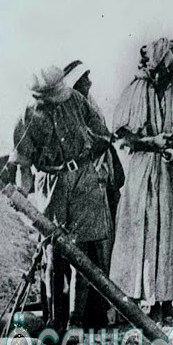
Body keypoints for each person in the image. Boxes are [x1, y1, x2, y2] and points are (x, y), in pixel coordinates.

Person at [109, 38, 173, 322]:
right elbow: (123, 136)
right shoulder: (136, 91)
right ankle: (135, 300)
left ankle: (165, 302)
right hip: (144, 170)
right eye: (155, 71)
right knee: (140, 231)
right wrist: (152, 142)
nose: (160, 76)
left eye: (165, 70)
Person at [9, 66, 112, 332]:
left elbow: (102, 134)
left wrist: (89, 164)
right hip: (50, 185)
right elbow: (23, 166)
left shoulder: (75, 100)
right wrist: (22, 192)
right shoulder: (27, 117)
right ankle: (56, 321)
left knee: (82, 253)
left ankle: (76, 321)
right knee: (54, 253)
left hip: (83, 180)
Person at [63, 60, 125, 224]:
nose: (89, 82)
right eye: (84, 78)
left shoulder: (91, 104)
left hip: (103, 166)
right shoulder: (69, 109)